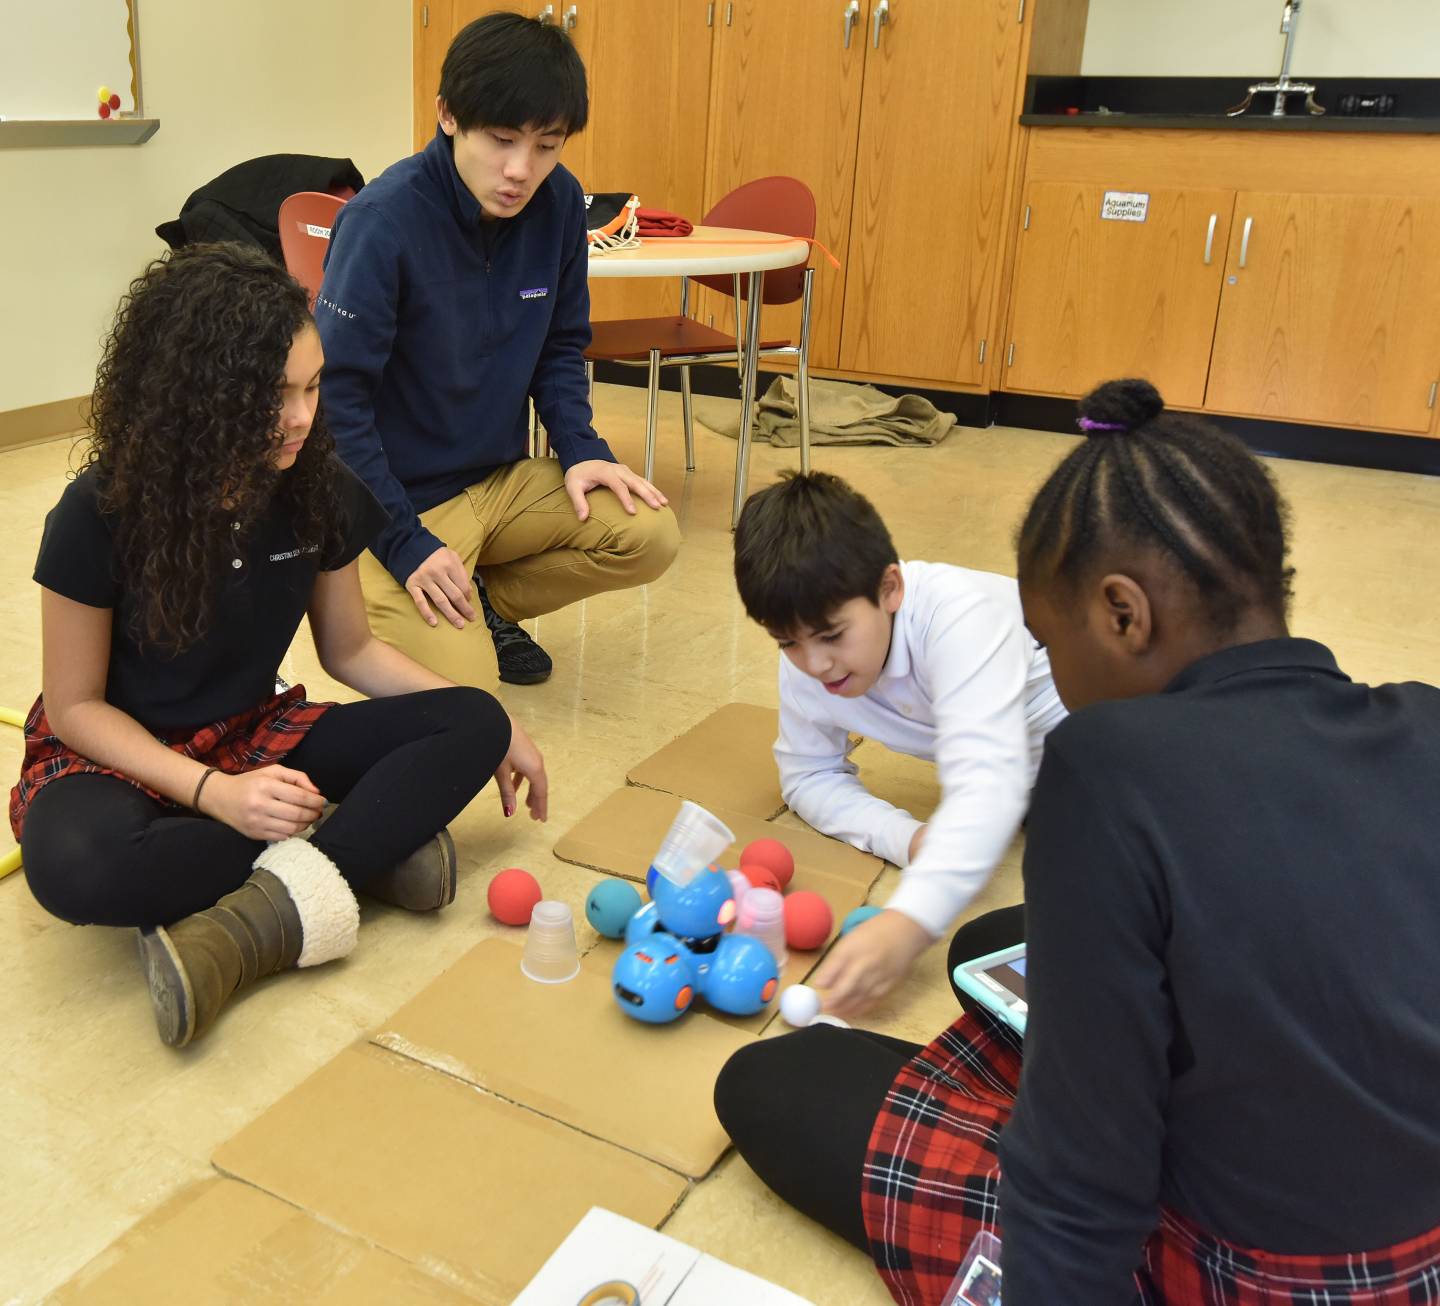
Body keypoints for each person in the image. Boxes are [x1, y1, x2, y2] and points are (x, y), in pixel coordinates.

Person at [715, 380, 1440, 1304]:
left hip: (1258, 1271)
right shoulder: (1425, 720)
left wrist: (905, 922)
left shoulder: (1103, 768)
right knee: (991, 951)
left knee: (775, 1083)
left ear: (1123, 614)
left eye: (1048, 645)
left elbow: (1086, 1179)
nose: (1048, 674)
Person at [10, 244, 547, 1048]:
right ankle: (360, 851)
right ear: (198, 398)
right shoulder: (98, 512)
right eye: (272, 397)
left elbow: (350, 651)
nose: (301, 418)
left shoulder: (318, 487)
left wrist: (493, 723)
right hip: (116, 757)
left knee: (473, 717)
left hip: (253, 735)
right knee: (74, 866)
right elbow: (76, 707)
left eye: (312, 386)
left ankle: (277, 897)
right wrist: (211, 793)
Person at [316, 11, 680, 691]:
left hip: (497, 483)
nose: (521, 170)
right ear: (448, 115)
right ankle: (434, 598)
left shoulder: (561, 203)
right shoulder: (382, 222)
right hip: (392, 502)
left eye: (547, 145)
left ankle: (476, 599)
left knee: (649, 533)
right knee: (470, 698)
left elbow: (562, 345)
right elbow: (334, 404)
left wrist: (582, 448)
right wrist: (403, 541)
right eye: (502, 139)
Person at [732, 471, 1066, 1017]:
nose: (816, 665)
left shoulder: (962, 619)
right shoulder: (810, 658)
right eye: (787, 642)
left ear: (891, 588)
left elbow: (987, 786)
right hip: (1029, 773)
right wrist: (909, 839)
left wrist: (907, 923)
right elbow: (808, 776)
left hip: (1117, 746)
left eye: (833, 635)